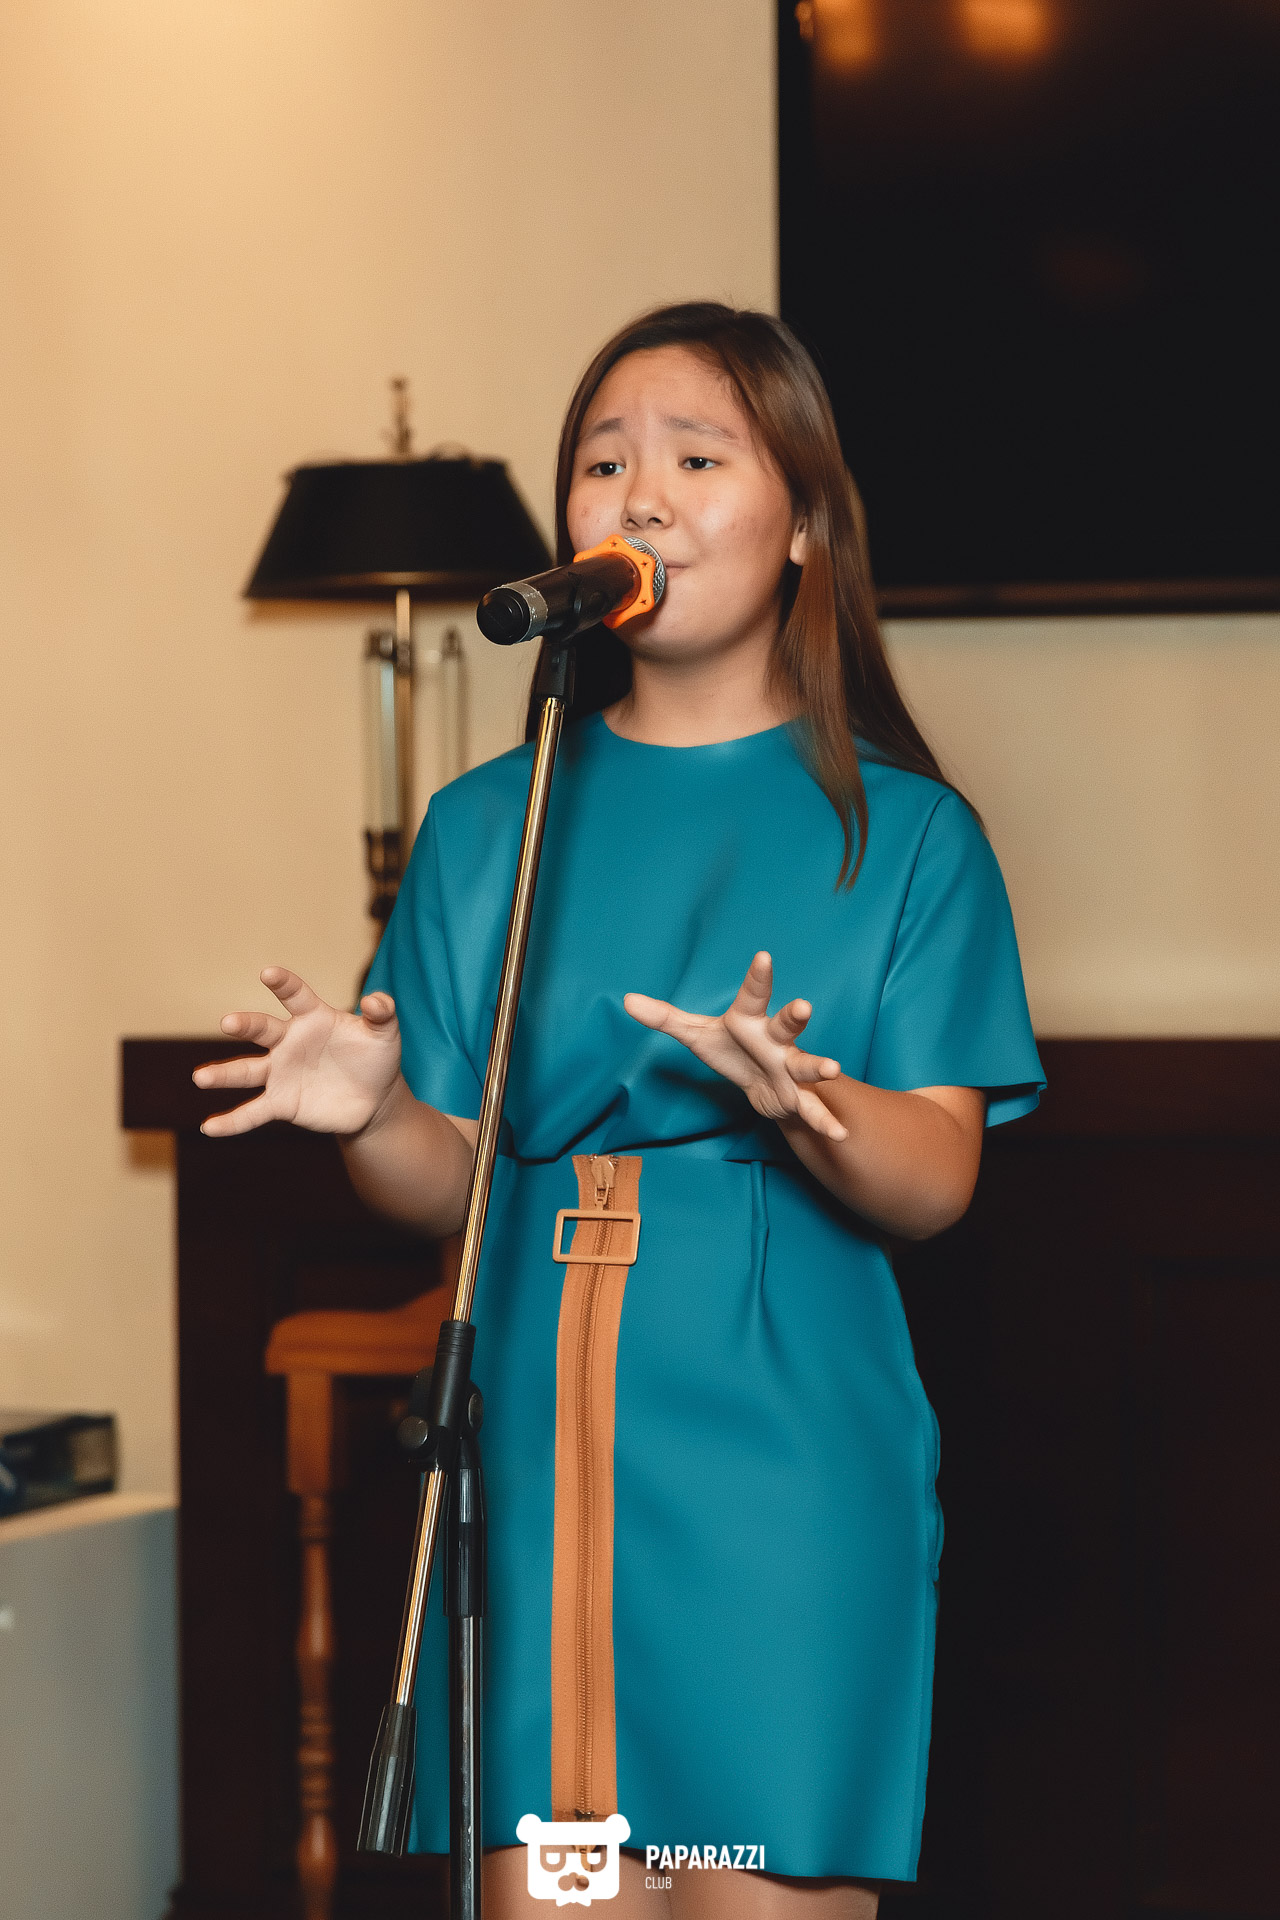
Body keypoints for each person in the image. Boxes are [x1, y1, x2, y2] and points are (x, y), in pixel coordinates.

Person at [196, 303, 1044, 1918]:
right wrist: (371, 1113)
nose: (640, 496)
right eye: (602, 463)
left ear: (804, 523)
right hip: (544, 1459)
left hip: (789, 1476)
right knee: (559, 1894)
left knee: (748, 1887)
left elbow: (939, 1179)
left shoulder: (912, 836)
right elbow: (446, 1181)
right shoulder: (485, 825)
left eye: (698, 459)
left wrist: (810, 1103)